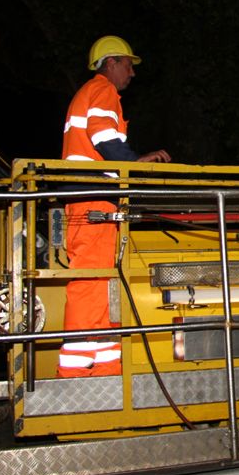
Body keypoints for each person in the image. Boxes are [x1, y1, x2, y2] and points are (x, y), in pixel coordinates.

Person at [58, 35, 171, 378]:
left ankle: (106, 369)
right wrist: (134, 162)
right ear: (111, 63)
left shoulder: (88, 92)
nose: (132, 73)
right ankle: (75, 375)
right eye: (128, 65)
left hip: (91, 199)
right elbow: (104, 136)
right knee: (92, 282)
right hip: (92, 200)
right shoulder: (102, 89)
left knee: (103, 284)